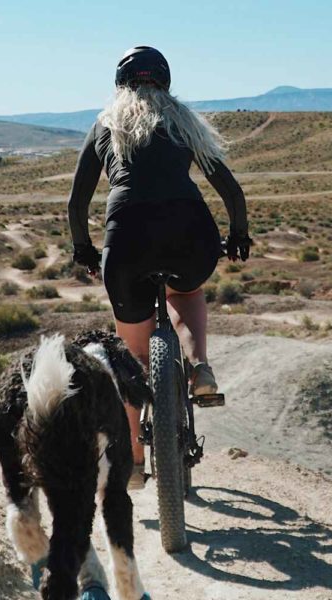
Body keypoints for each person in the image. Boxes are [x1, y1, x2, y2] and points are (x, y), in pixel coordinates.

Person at [68, 46, 251, 488]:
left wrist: (85, 251)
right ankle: (200, 366)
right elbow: (229, 188)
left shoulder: (105, 124)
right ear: (165, 81)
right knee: (185, 293)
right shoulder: (183, 121)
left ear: (120, 82)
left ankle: (131, 461)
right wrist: (238, 236)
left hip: (127, 238)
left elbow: (77, 202)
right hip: (190, 232)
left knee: (132, 356)